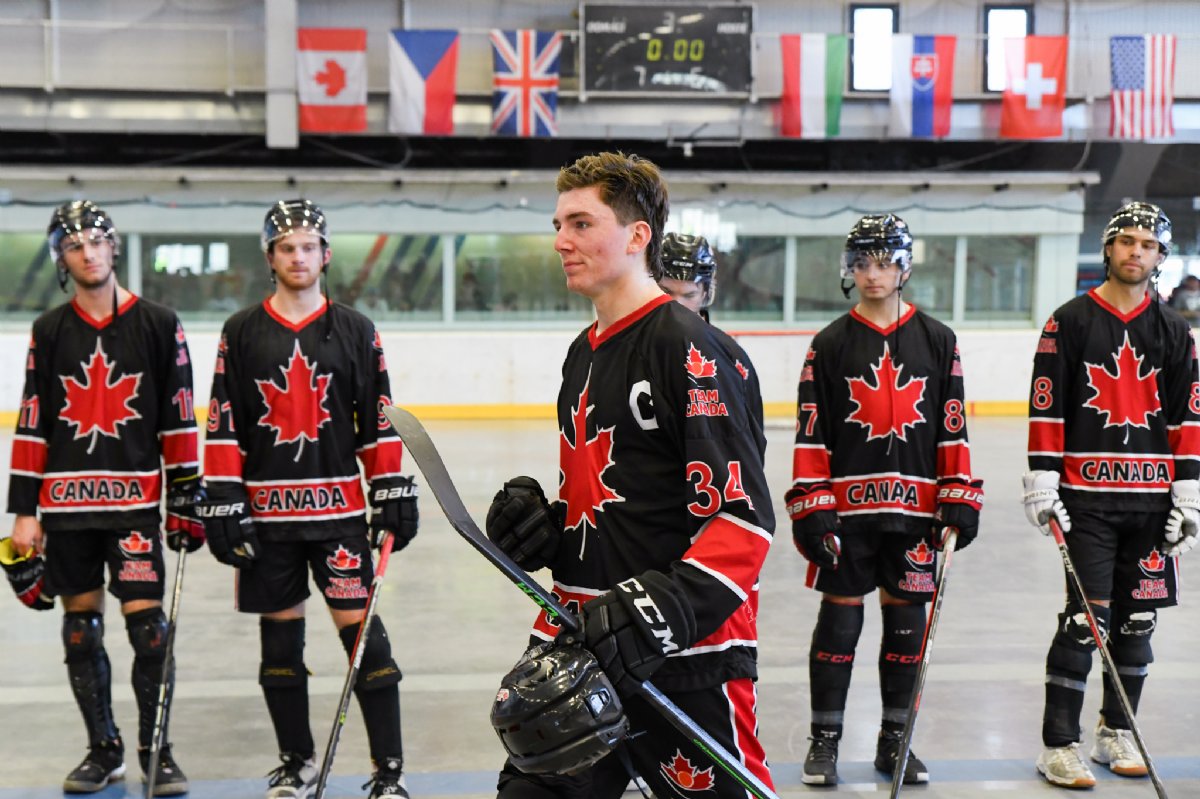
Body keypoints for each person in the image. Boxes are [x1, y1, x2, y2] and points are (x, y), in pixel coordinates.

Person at [484, 152, 775, 798]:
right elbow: (614, 504)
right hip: (579, 645)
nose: (561, 241)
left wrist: (654, 613)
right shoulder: (581, 353)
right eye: (559, 224)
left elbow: (743, 524)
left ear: (638, 235)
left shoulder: (689, 348)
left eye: (582, 224)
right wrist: (549, 532)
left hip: (686, 662)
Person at [198, 199, 419, 799]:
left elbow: (378, 418)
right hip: (266, 521)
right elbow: (224, 420)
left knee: (367, 644)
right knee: (279, 650)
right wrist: (224, 498)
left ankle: (389, 773)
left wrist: (389, 487)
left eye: (308, 246)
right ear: (270, 257)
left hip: (339, 517)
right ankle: (295, 763)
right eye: (286, 247)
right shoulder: (240, 331)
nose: (298, 257)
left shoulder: (356, 330)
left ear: (325, 254)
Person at [5, 201, 204, 794]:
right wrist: (23, 512)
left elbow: (179, 416)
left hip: (135, 506)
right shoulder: (48, 330)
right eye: (74, 246)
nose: (87, 253)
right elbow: (33, 421)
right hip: (66, 508)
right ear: (61, 260)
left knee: (150, 632)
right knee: (80, 632)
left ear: (113, 247)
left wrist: (184, 495)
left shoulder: (159, 323)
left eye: (96, 241)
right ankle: (104, 750)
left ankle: (156, 751)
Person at [785, 214, 983, 786]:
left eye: (885, 262)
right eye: (863, 263)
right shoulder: (828, 344)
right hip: (848, 515)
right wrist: (813, 505)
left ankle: (895, 742)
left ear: (905, 267)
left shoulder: (939, 340)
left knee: (905, 627)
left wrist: (958, 495)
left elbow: (952, 425)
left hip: (914, 515)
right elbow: (811, 432)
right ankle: (824, 742)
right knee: (839, 625)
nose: (873, 274)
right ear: (849, 268)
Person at [1022, 201, 1199, 789]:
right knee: (1084, 621)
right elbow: (1047, 405)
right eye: (1127, 241)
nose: (1135, 252)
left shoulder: (1175, 331)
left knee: (1138, 622)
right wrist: (1043, 479)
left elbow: (1187, 416)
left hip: (1151, 505)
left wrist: (1189, 494)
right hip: (1087, 503)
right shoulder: (1068, 321)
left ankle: (1115, 730)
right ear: (1109, 247)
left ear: (1160, 256)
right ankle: (1058, 745)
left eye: (1148, 245)